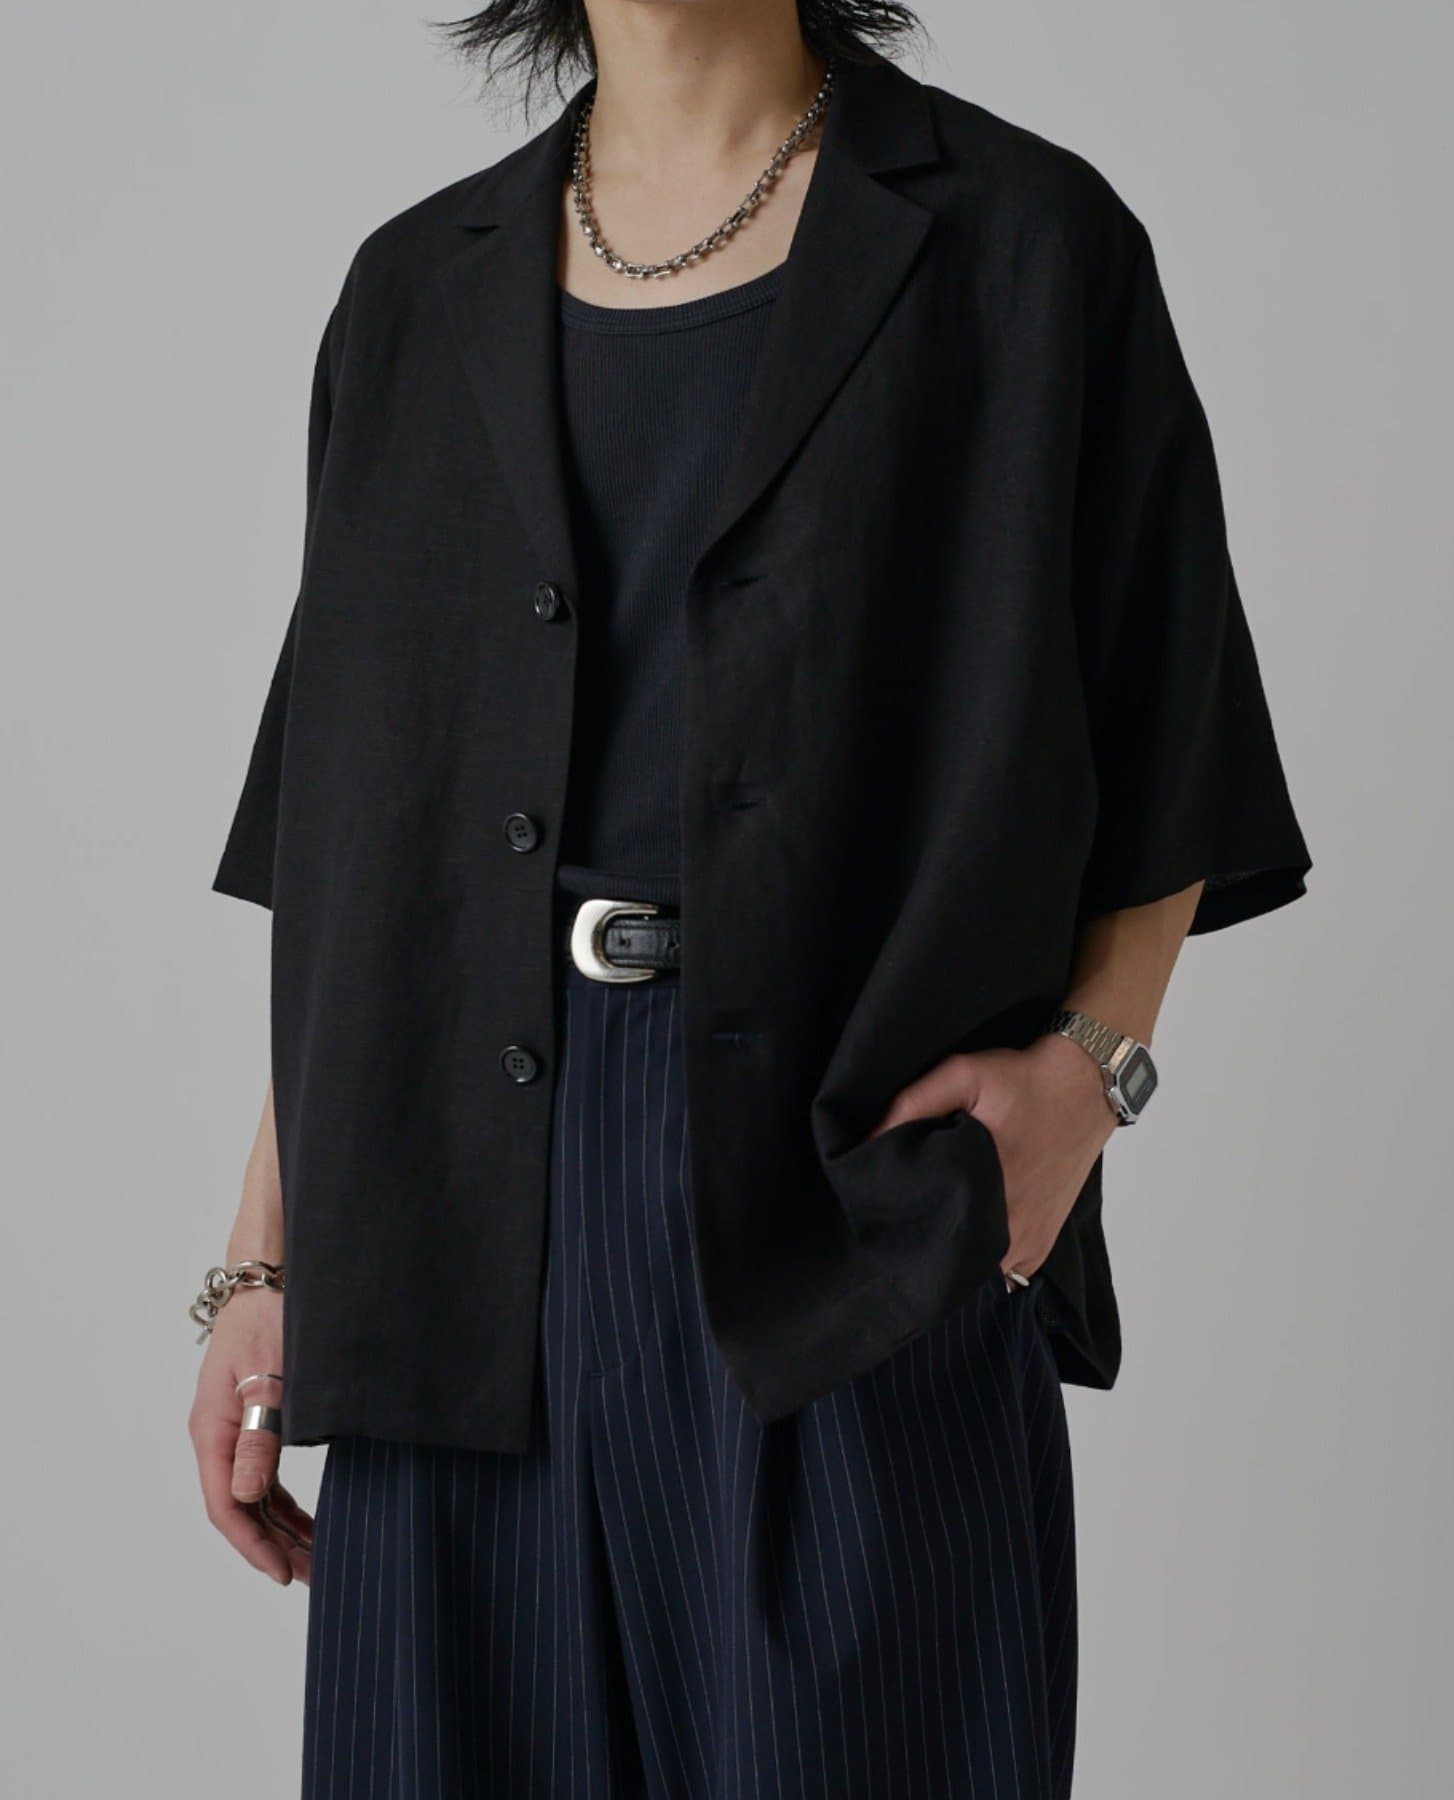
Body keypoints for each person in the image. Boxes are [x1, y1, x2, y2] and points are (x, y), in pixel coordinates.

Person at [189, 2, 1310, 1794]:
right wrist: (266, 1261)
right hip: (450, 1231)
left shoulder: (1027, 245)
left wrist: (1089, 1080)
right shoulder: (413, 290)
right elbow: (358, 848)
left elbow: (1170, 721)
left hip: (850, 1200)